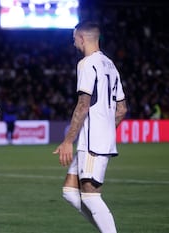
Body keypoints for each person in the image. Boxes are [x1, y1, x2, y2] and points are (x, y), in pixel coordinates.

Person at [53, 21, 127, 233]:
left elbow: (83, 105)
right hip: (95, 138)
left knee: (91, 197)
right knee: (69, 191)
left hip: (93, 140)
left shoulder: (86, 63)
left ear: (82, 38)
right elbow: (122, 109)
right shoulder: (110, 65)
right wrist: (106, 129)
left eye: (74, 38)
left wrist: (68, 141)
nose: (73, 41)